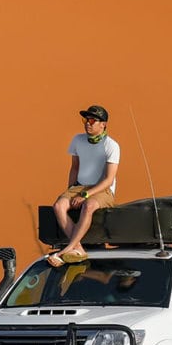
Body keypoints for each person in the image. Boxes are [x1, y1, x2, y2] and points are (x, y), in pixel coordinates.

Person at [48, 104, 120, 266]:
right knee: (59, 206)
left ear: (103, 124)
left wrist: (85, 195)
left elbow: (108, 179)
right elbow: (74, 167)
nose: (88, 123)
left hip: (102, 189)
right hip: (80, 186)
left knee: (88, 206)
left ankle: (66, 250)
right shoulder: (77, 140)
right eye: (86, 119)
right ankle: (78, 248)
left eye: (92, 120)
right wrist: (70, 190)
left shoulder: (111, 145)